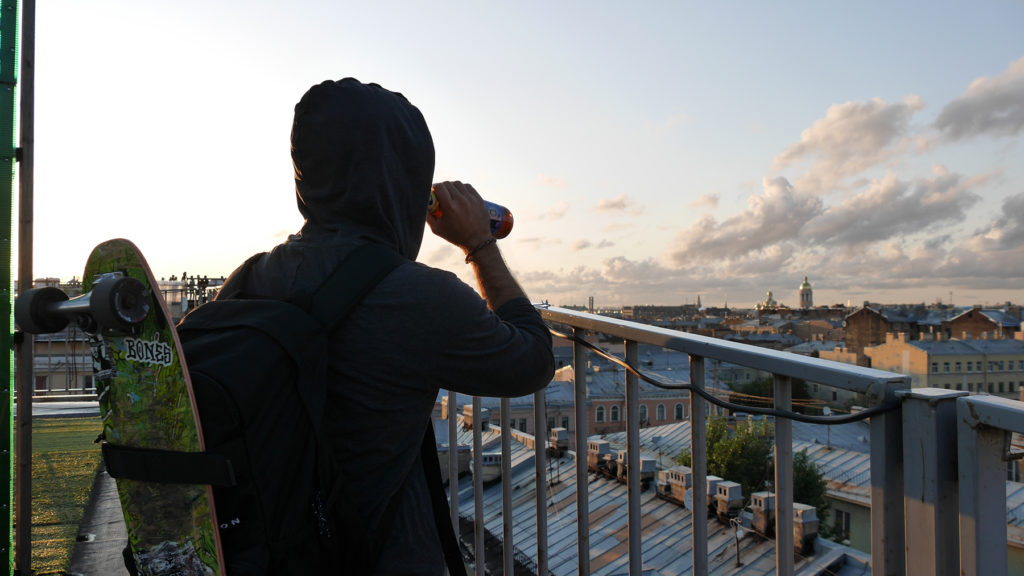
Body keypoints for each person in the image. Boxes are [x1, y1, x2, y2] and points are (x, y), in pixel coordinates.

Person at [219, 78, 554, 574]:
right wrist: (479, 245)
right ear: (406, 180)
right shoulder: (420, 297)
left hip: (272, 553)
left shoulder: (248, 278)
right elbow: (533, 361)